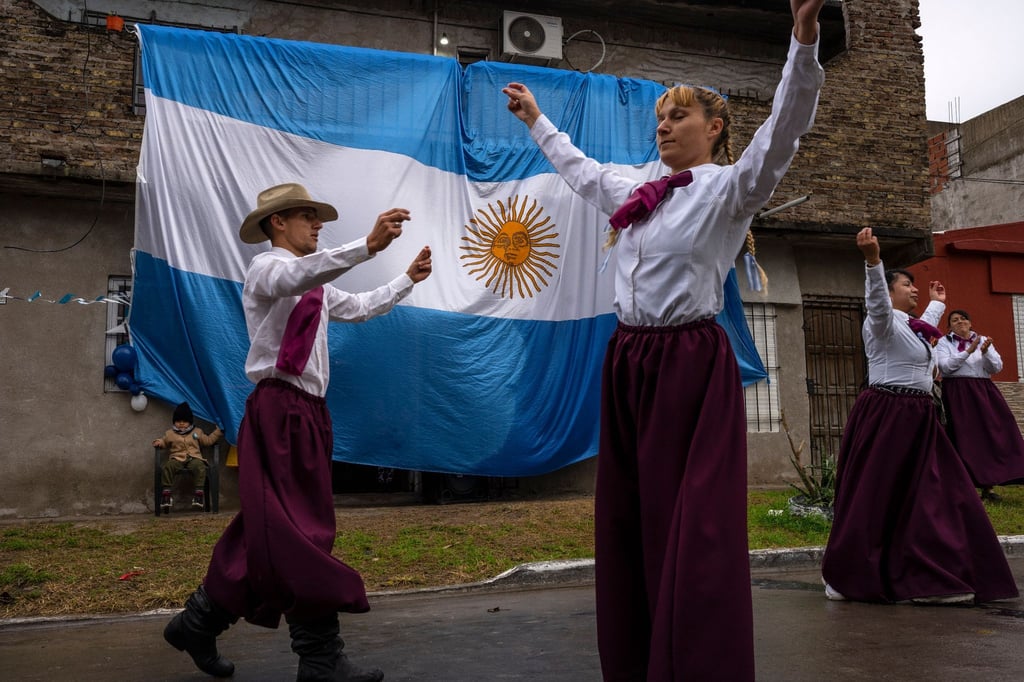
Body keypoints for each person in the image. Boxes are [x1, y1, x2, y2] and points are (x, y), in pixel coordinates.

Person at [502, 2, 825, 679]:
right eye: (660, 116)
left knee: (695, 524)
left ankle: (698, 659)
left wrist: (802, 42)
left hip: (688, 362)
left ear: (714, 128)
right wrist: (537, 120)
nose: (665, 124)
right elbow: (580, 169)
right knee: (631, 519)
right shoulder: (637, 186)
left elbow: (783, 133)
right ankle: (641, 653)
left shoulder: (728, 191)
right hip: (629, 361)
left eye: (679, 115)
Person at [163, 182, 432, 681]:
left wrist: (405, 280)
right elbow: (301, 274)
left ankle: (198, 622)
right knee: (299, 531)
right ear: (277, 224)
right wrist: (366, 245)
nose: (318, 224)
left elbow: (358, 306)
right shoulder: (268, 269)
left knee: (272, 530)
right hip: (280, 410)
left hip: (307, 413)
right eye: (308, 216)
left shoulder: (314, 284)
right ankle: (319, 659)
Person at [820, 228, 1017, 606]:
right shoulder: (879, 321)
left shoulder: (914, 328)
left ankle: (931, 576)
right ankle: (849, 577)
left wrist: (937, 305)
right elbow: (879, 306)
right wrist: (874, 262)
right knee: (876, 494)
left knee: (938, 493)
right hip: (887, 414)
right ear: (890, 290)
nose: (914, 288)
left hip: (919, 416)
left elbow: (918, 335)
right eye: (907, 284)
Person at [936, 309, 1024, 501]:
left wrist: (984, 352)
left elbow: (996, 367)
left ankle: (988, 486)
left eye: (963, 318)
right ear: (949, 326)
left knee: (990, 434)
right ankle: (962, 487)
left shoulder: (983, 340)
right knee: (962, 437)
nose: (960, 322)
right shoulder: (944, 343)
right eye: (955, 320)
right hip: (956, 393)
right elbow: (945, 367)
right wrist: (969, 350)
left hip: (983, 391)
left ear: (970, 322)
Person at [152, 401, 223, 511]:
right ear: (174, 422)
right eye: (178, 421)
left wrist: (218, 432)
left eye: (184, 421)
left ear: (190, 422)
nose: (181, 424)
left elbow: (208, 441)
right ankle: (166, 494)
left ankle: (199, 494)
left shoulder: (197, 432)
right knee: (168, 466)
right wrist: (158, 442)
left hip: (194, 458)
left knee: (200, 467)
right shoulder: (170, 433)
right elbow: (164, 441)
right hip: (177, 458)